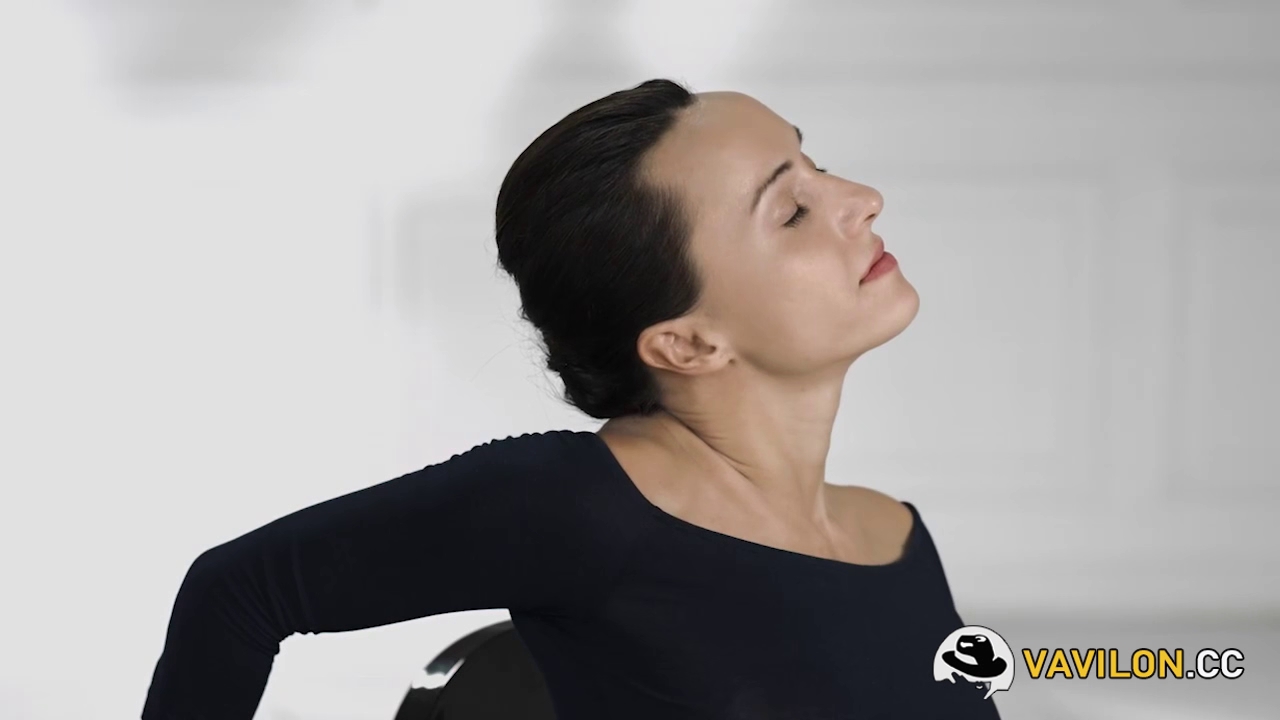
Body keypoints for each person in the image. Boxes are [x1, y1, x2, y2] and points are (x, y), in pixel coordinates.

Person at [142, 79, 1002, 719]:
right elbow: (237, 593)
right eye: (792, 212)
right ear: (687, 344)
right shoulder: (576, 505)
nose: (863, 201)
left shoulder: (898, 537)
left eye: (821, 169)